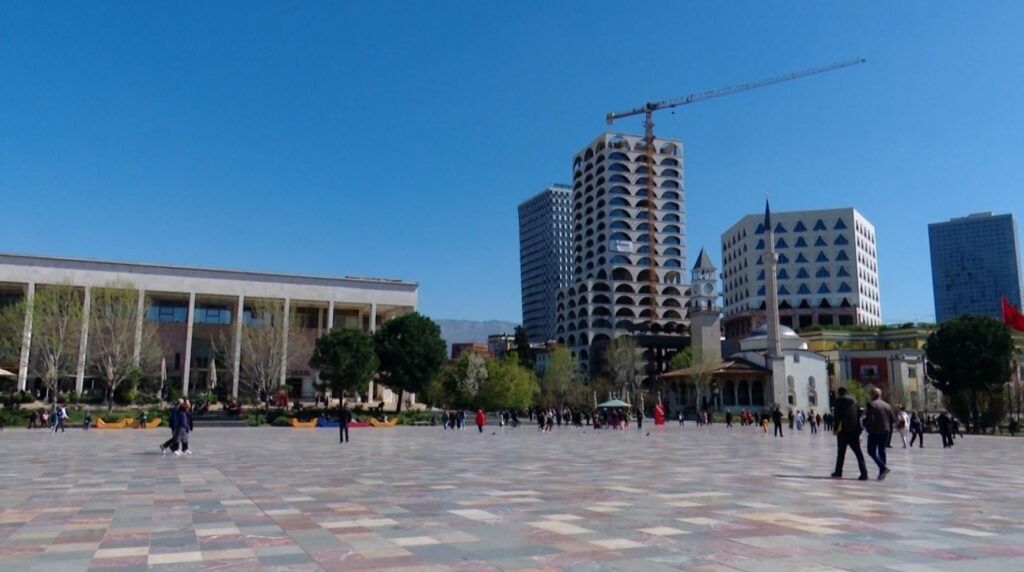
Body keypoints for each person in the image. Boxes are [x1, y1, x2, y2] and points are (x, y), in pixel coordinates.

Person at [831, 387, 869, 480]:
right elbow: (859, 415)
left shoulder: (839, 401)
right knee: (858, 453)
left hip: (843, 431)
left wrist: (835, 429)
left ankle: (838, 471)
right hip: (854, 431)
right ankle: (864, 473)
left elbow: (837, 416)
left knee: (841, 453)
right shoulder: (854, 401)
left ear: (839, 393)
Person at [864, 387, 895, 480]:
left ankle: (883, 468)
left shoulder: (871, 405)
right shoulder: (887, 405)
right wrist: (888, 427)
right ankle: (882, 472)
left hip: (874, 431)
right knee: (882, 451)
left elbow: (870, 419)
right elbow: (892, 419)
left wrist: (867, 427)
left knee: (871, 451)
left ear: (872, 395)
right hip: (886, 431)